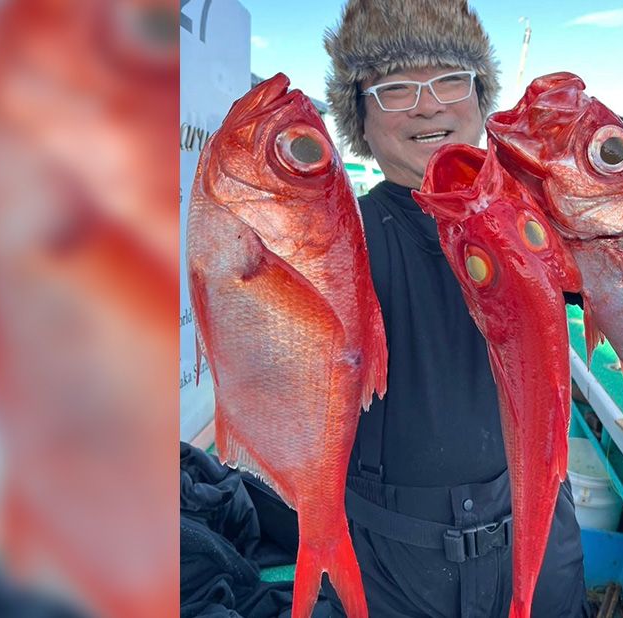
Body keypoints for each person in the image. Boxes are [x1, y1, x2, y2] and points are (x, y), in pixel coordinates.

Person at [245, 1, 590, 617]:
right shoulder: (333, 240)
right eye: (395, 88)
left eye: (450, 79)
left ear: (481, 98)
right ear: (362, 120)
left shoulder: (544, 216)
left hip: (540, 549)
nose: (428, 105)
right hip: (389, 574)